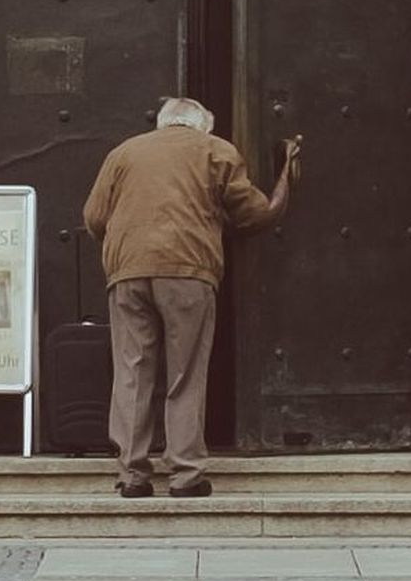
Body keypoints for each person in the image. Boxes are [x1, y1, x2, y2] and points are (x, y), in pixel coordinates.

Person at [84, 97, 300, 498]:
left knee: (132, 370)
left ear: (163, 124)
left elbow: (95, 218)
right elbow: (254, 213)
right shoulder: (215, 149)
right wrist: (286, 174)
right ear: (202, 125)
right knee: (185, 373)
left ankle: (132, 475)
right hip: (187, 271)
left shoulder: (124, 152)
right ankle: (185, 475)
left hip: (128, 271)